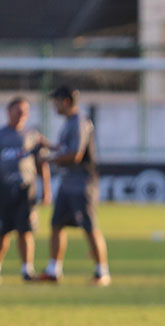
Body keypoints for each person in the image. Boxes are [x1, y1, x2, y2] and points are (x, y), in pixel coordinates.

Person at [40, 86, 110, 286]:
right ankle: (54, 270)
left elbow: (75, 155)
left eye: (56, 101)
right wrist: (49, 146)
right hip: (68, 181)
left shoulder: (79, 122)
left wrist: (50, 159)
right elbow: (65, 149)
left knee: (89, 226)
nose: (54, 105)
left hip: (82, 182)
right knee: (56, 225)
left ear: (66, 101)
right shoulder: (69, 123)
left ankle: (102, 272)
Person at [0, 96, 51, 282]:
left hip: (26, 190)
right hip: (3, 190)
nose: (22, 115)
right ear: (9, 111)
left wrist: (47, 189)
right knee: (2, 232)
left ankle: (26, 270)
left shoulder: (33, 136)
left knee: (25, 231)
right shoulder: (2, 135)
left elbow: (42, 164)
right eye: (18, 111)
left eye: (25, 112)